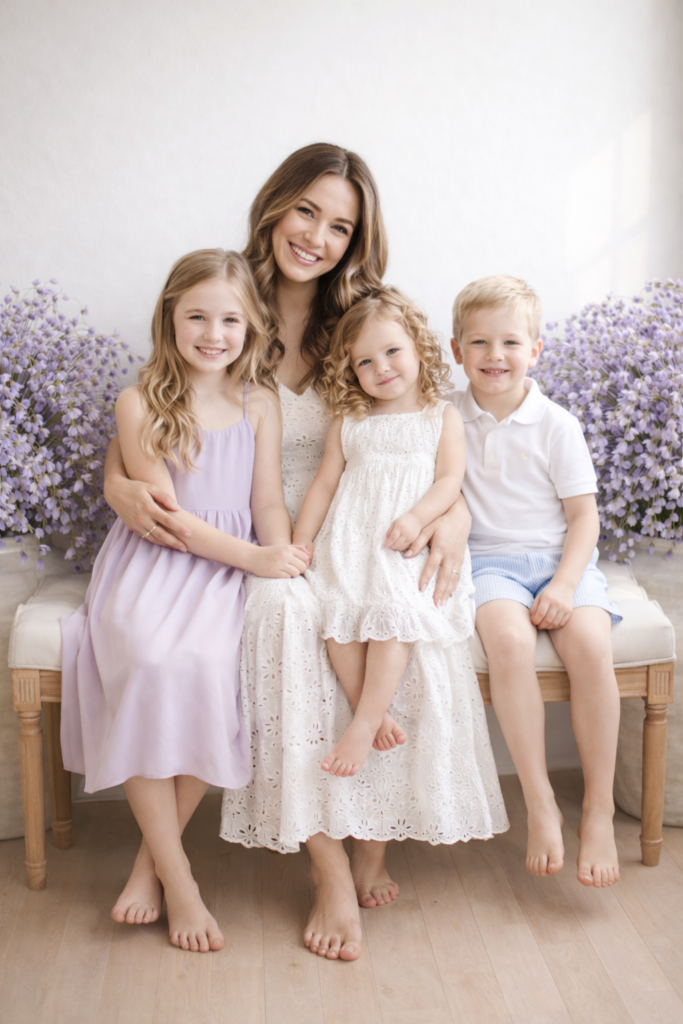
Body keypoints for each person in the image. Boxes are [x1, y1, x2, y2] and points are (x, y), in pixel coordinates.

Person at [103, 144, 508, 962]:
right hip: (245, 538)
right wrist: (115, 481)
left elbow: (426, 430)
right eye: (305, 212)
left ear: (357, 240)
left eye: (339, 226)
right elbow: (163, 411)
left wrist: (453, 513)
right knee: (283, 614)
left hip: (346, 535)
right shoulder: (223, 302)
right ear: (274, 206)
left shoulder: (361, 324)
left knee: (332, 609)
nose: (317, 237)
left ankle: (334, 855)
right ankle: (305, 864)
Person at [61, 249, 309, 953]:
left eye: (230, 319)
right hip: (159, 562)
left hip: (232, 567)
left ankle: (151, 867)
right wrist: (256, 555)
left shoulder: (259, 403)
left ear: (252, 327)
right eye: (196, 316)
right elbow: (169, 521)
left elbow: (264, 498)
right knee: (146, 663)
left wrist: (279, 558)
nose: (213, 332)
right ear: (168, 317)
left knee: (215, 669)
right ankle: (185, 884)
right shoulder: (138, 402)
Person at [450, 274, 622, 888]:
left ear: (536, 350)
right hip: (489, 563)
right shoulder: (448, 420)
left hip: (560, 560)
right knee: (511, 643)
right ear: (456, 350)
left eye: (510, 343)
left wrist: (563, 585)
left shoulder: (557, 424)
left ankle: (597, 808)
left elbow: (585, 520)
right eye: (479, 343)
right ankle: (540, 799)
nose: (495, 357)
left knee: (592, 648)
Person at [295, 287, 483, 781]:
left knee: (394, 616)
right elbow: (323, 485)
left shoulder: (440, 416)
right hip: (351, 545)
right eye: (364, 362)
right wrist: (302, 541)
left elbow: (450, 480)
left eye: (392, 351)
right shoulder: (349, 421)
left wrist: (417, 518)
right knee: (335, 621)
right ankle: (372, 711)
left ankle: (361, 726)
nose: (381, 368)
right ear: (351, 371)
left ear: (420, 347)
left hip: (403, 550)